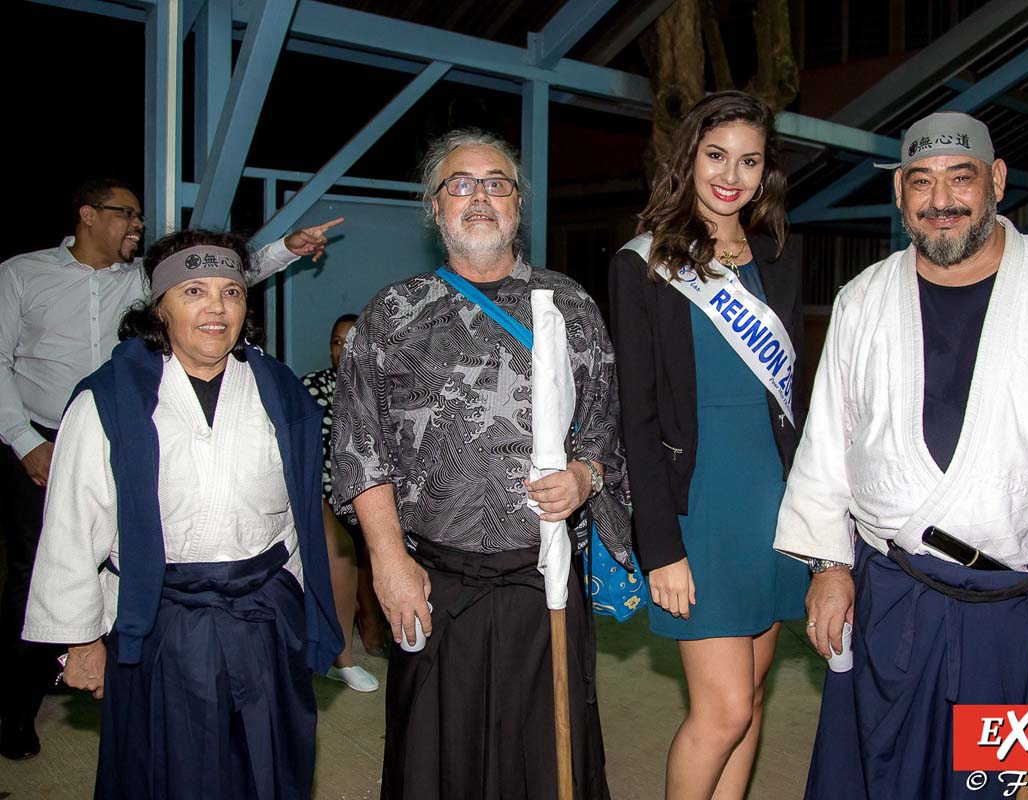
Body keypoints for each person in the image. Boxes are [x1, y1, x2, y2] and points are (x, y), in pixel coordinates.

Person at [774, 111, 1028, 800]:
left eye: (961, 179)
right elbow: (829, 443)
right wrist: (829, 567)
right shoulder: (864, 299)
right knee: (884, 776)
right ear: (900, 192)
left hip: (1019, 603)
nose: (941, 201)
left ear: (995, 181)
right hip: (894, 592)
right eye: (922, 183)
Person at [330, 129, 632, 799]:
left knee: (545, 763)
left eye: (497, 183)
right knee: (439, 762)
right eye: (460, 184)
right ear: (435, 208)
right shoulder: (393, 313)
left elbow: (607, 426)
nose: (479, 198)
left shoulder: (571, 307)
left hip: (542, 580)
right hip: (434, 582)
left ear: (518, 205)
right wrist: (388, 562)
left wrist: (585, 477)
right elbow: (357, 446)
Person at [0, 177, 341, 760]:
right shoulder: (106, 401)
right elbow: (73, 525)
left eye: (231, 292)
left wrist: (300, 601)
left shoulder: (280, 392)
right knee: (173, 767)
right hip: (161, 621)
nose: (216, 306)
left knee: (266, 761)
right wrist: (81, 639)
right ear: (158, 306)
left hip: (264, 617)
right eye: (194, 292)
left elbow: (301, 517)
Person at [607, 91, 808, 799]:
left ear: (766, 171)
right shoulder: (643, 264)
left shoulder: (781, 257)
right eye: (716, 155)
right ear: (689, 157)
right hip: (699, 505)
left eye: (749, 161)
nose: (731, 174)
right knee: (720, 711)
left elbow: (792, 401)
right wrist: (659, 544)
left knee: (750, 700)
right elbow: (635, 417)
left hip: (772, 502)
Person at [301, 313, 384, 691]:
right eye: (336, 342)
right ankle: (342, 657)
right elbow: (304, 457)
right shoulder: (313, 388)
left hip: (374, 494)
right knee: (342, 549)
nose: (342, 350)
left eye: (351, 341)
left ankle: (381, 627)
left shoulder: (387, 390)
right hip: (322, 494)